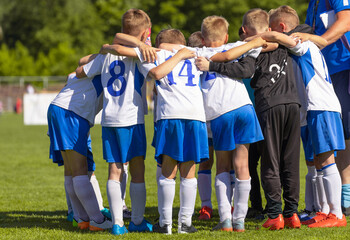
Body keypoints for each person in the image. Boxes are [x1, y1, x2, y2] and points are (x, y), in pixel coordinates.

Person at [196, 8, 302, 230]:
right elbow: (251, 59)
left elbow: (244, 68)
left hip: (226, 110)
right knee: (274, 162)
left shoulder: (201, 52)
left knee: (235, 165)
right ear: (226, 37)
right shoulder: (278, 43)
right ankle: (284, 214)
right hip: (254, 107)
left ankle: (235, 218)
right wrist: (266, 39)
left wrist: (211, 64)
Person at [75, 8, 155, 235]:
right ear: (145, 33)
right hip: (132, 119)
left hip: (109, 119)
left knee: (114, 169)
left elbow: (81, 71)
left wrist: (99, 53)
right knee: (137, 170)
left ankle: (118, 224)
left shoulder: (108, 54)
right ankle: (137, 221)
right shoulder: (141, 54)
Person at [266, 5, 347, 228]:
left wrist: (263, 35)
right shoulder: (304, 45)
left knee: (326, 158)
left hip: (322, 106)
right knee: (319, 160)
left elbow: (284, 39)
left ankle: (337, 215)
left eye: (273, 29)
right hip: (314, 109)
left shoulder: (303, 43)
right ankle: (324, 210)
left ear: (282, 28)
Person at [195, 15, 264, 232]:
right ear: (226, 36)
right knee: (242, 165)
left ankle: (225, 219)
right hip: (244, 107)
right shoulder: (235, 47)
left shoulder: (198, 53)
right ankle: (240, 220)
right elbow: (263, 41)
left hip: (219, 112)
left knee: (223, 166)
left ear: (203, 39)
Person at [47, 55, 113, 231]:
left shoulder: (79, 74)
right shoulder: (104, 63)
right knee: (80, 171)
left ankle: (81, 218)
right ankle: (97, 220)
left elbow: (81, 63)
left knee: (70, 171)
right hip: (72, 113)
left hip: (59, 110)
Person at [305, 0, 350, 217]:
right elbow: (306, 31)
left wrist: (316, 42)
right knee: (341, 134)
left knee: (347, 133)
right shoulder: (313, 3)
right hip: (327, 72)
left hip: (345, 65)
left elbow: (346, 21)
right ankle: (344, 196)